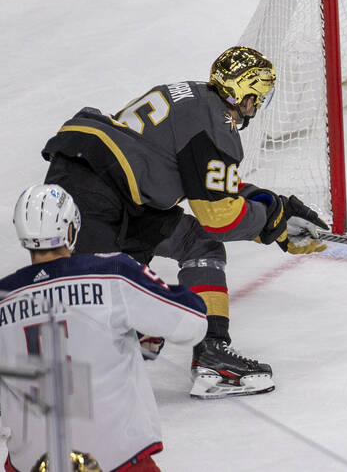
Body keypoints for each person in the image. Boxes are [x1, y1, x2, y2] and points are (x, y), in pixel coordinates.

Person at [38, 46, 329, 399]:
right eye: (258, 97)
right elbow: (218, 216)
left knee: (198, 245)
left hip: (113, 186)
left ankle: (211, 355)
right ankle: (28, 382)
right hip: (96, 190)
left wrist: (277, 209)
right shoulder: (216, 126)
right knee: (86, 299)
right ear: (242, 93)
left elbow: (211, 187)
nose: (258, 106)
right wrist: (272, 225)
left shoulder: (196, 98)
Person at [0, 184, 208, 471]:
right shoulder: (113, 272)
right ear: (70, 230)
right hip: (113, 457)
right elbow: (192, 322)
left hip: (32, 462)